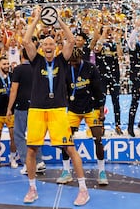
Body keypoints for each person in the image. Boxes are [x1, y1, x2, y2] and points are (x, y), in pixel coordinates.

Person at [21, 6, 89, 206]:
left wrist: (58, 20)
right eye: (45, 43)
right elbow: (26, 41)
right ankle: (32, 188)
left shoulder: (62, 59)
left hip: (58, 110)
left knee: (70, 148)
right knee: (31, 150)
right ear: (42, 47)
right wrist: (35, 19)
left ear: (55, 47)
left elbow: (71, 40)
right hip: (37, 110)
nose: (49, 45)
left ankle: (83, 189)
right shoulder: (37, 60)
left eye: (52, 43)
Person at [56, 46, 108, 185]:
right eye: (71, 62)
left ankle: (102, 172)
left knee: (98, 139)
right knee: (66, 141)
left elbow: (99, 91)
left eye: (75, 61)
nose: (73, 64)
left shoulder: (91, 68)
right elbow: (62, 91)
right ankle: (66, 171)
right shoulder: (66, 69)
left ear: (80, 58)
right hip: (73, 110)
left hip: (92, 108)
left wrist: (101, 111)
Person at [6, 49, 46, 175]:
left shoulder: (18, 70)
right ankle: (39, 162)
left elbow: (13, 90)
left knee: (19, 135)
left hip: (22, 106)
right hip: (37, 105)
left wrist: (9, 108)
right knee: (34, 136)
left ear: (21, 56)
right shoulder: (38, 68)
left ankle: (28, 163)